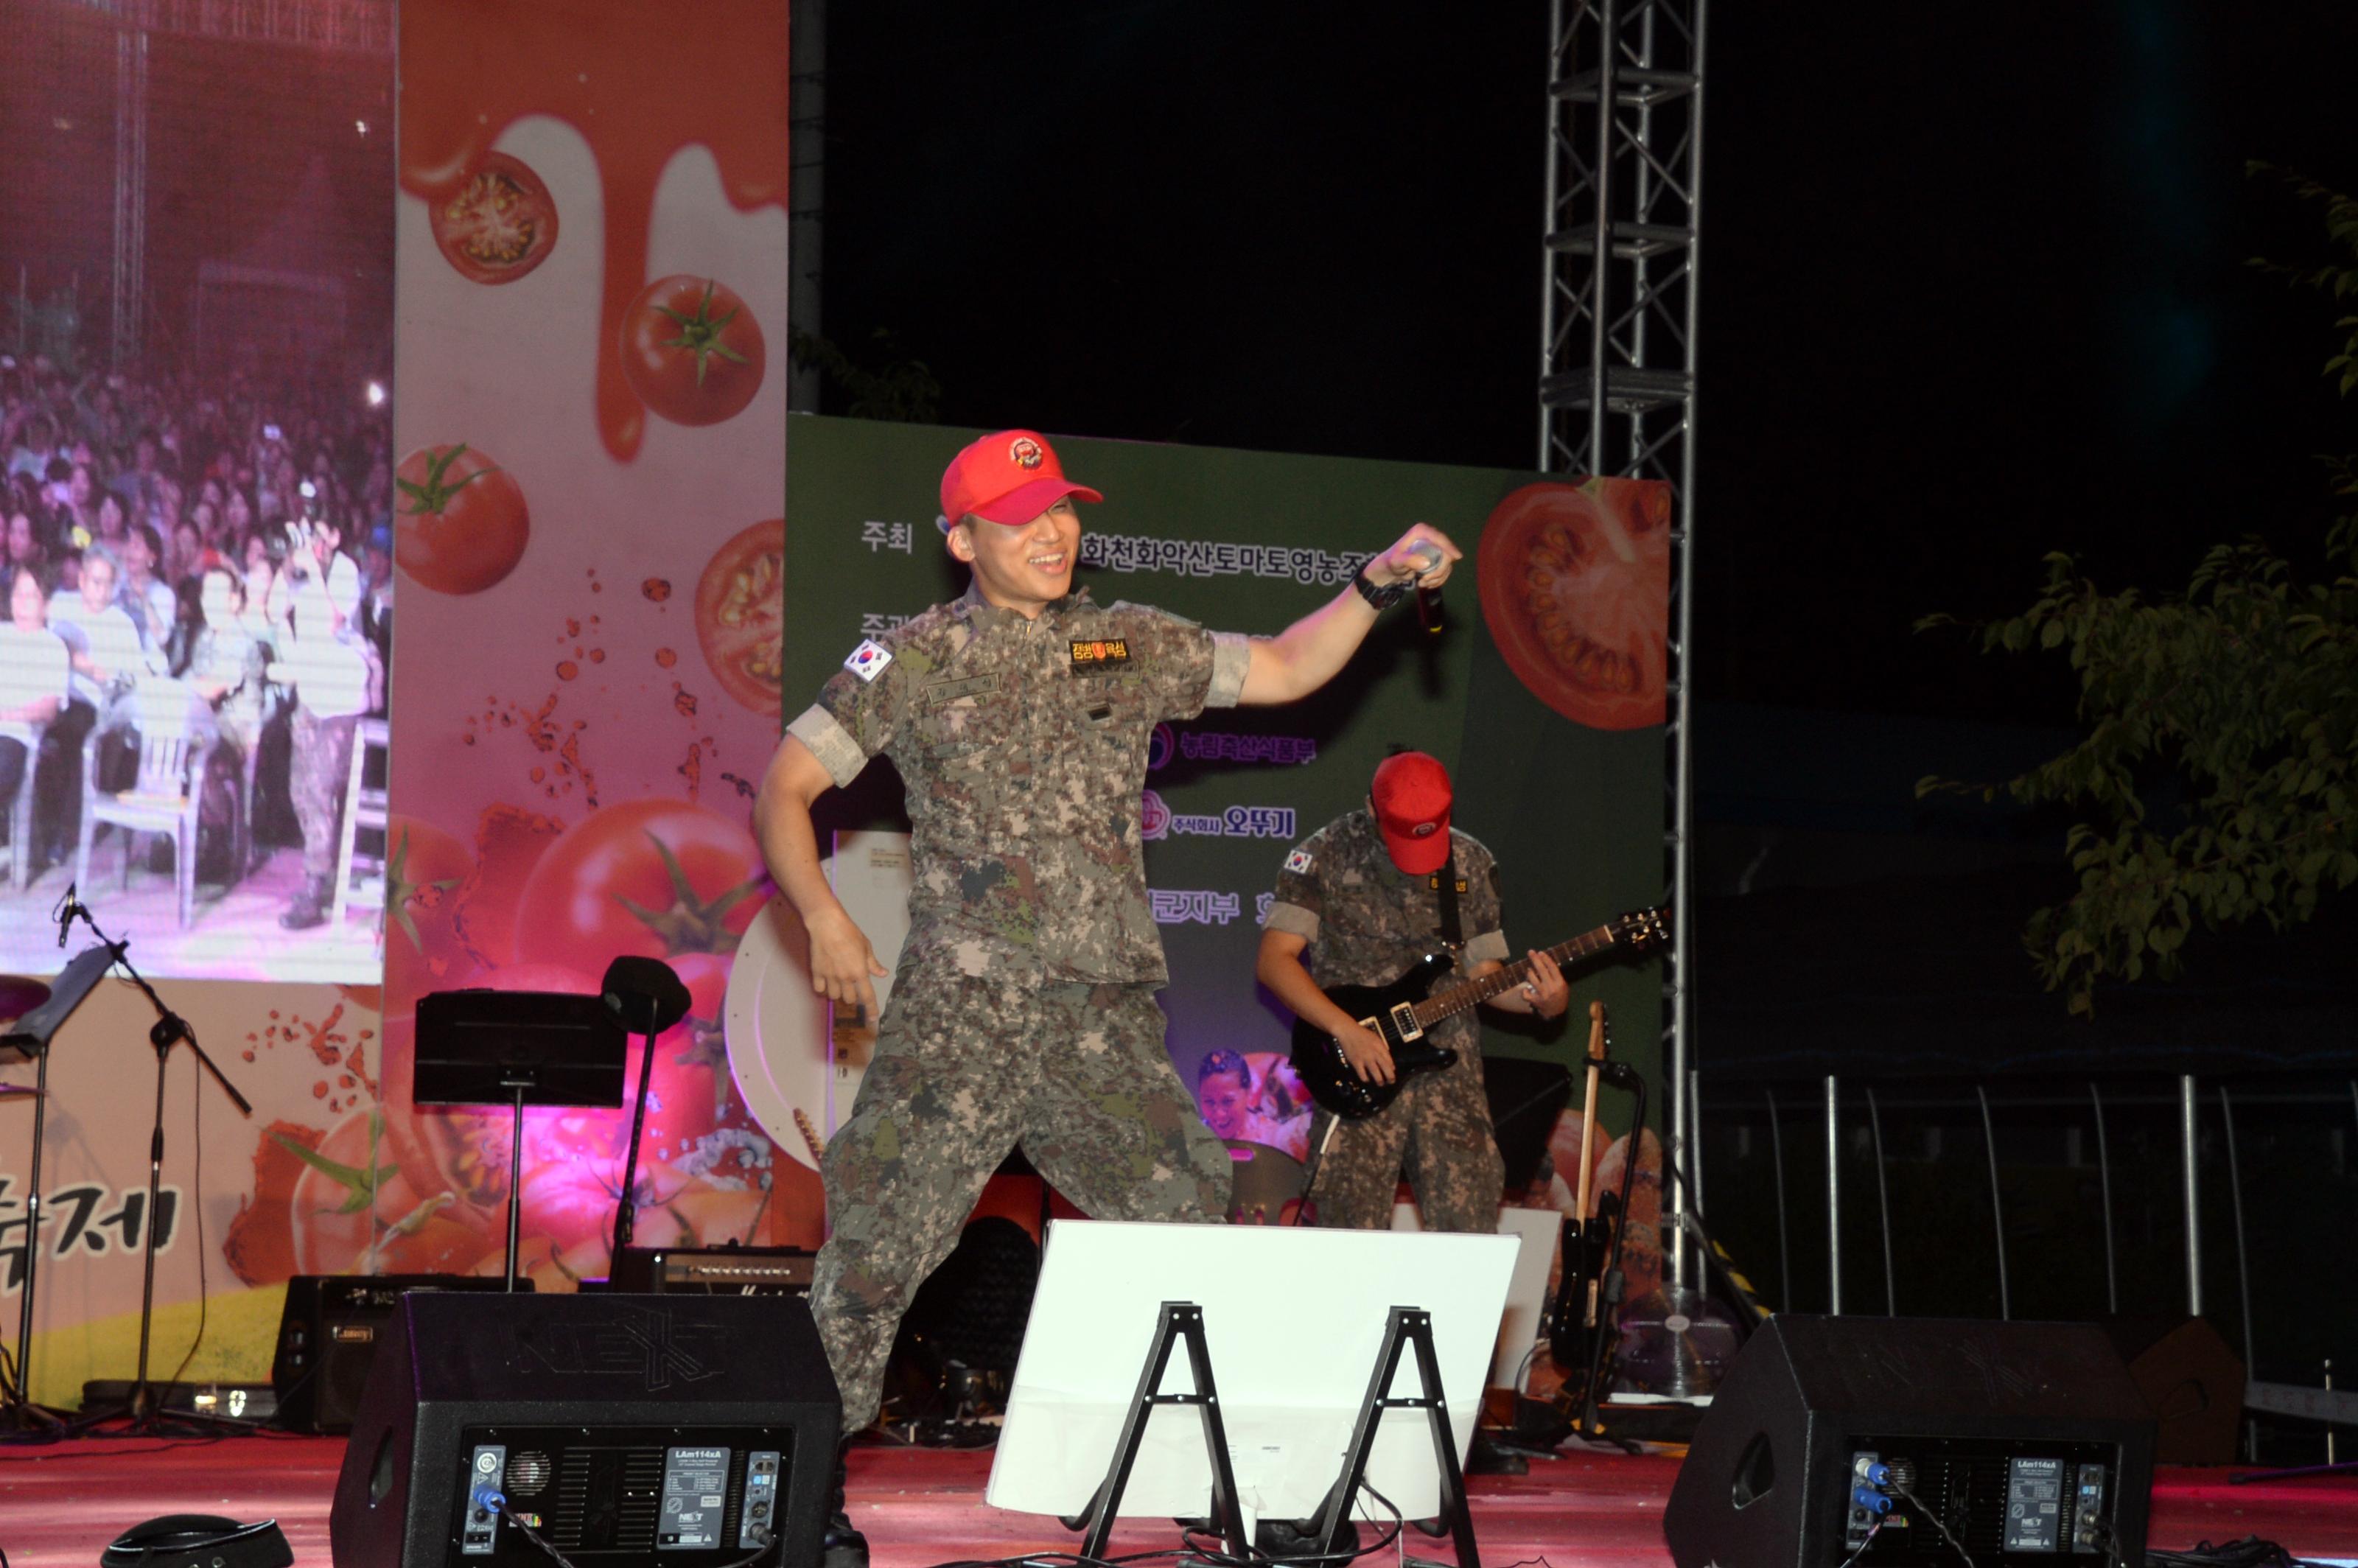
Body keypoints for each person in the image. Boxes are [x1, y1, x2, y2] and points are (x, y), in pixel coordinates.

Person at [752, 427, 1458, 1562]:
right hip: (961, 1016)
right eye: (1022, 516)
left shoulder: (1124, 643)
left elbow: (1283, 666)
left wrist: (1374, 583)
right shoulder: (913, 660)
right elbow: (785, 789)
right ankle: (803, 1497)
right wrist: (824, 919)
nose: (1053, 531)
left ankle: (1230, 1479)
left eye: (1064, 510)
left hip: (1102, 1021)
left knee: (1194, 1224)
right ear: (961, 539)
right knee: (877, 1249)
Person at [1255, 750, 1570, 1234]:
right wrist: (1346, 1029)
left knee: (1469, 1238)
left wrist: (1540, 1001)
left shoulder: (1471, 861)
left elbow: (1485, 976)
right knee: (1350, 1239)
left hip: (1450, 1079)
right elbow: (1275, 962)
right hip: (1357, 1065)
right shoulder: (1323, 855)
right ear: (1373, 810)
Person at [0, 564, 71, 854]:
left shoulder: (52, 647)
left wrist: (8, 715)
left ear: (47, 604)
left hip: (15, 738)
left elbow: (49, 708)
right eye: (18, 595)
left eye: (31, 596)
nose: (22, 603)